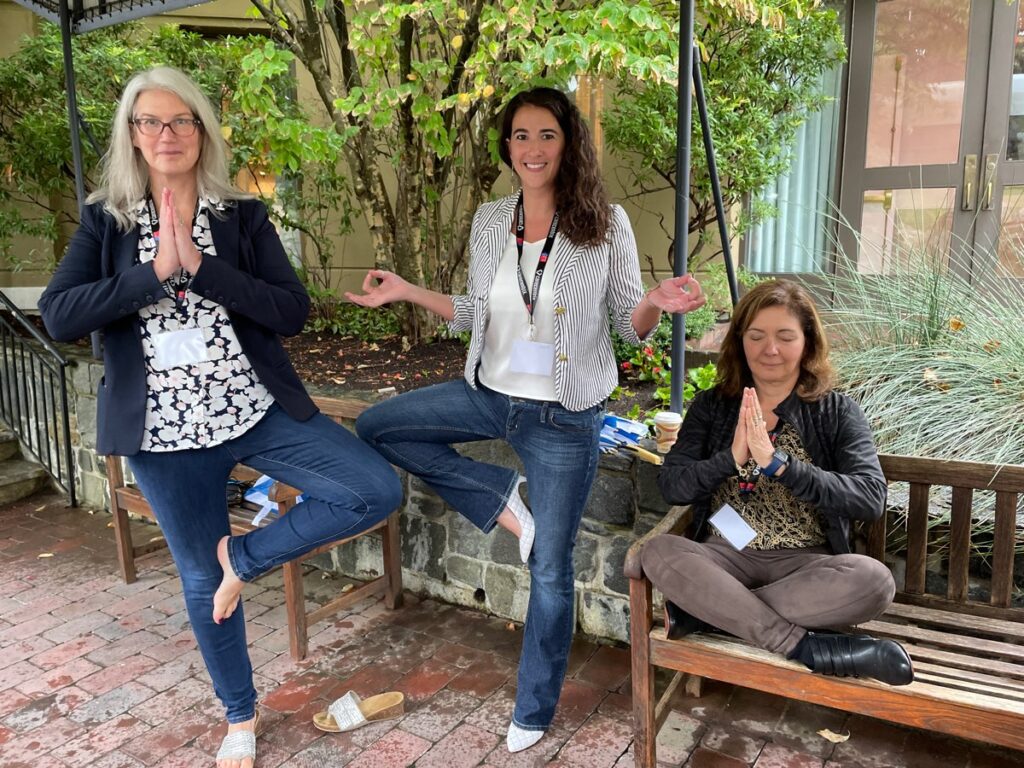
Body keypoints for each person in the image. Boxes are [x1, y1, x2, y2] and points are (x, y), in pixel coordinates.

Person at [38, 67, 403, 768]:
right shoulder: (104, 218)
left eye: (181, 121)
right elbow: (58, 314)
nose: (166, 134)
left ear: (202, 131)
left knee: (372, 488)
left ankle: (247, 555)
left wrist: (200, 267)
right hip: (161, 434)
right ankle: (239, 715)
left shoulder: (242, 216)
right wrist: (151, 273)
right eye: (150, 122)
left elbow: (291, 311)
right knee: (201, 581)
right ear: (133, 135)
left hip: (254, 409)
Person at [347, 86, 706, 752]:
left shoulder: (604, 222)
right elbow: (478, 314)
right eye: (519, 135)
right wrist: (405, 291)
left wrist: (655, 300)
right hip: (489, 393)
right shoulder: (489, 219)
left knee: (550, 567)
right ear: (506, 145)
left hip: (564, 417)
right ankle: (502, 500)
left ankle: (533, 708)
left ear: (568, 142)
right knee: (380, 426)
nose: (532, 148)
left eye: (546, 134)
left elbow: (631, 328)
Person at [642, 280, 914, 686]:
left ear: (807, 343)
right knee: (659, 551)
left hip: (805, 564)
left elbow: (869, 498)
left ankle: (707, 615)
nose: (770, 349)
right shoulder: (713, 407)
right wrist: (730, 460)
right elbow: (673, 486)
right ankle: (804, 647)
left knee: (874, 582)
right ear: (740, 342)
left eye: (785, 336)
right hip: (725, 558)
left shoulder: (836, 411)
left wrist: (779, 465)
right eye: (757, 336)